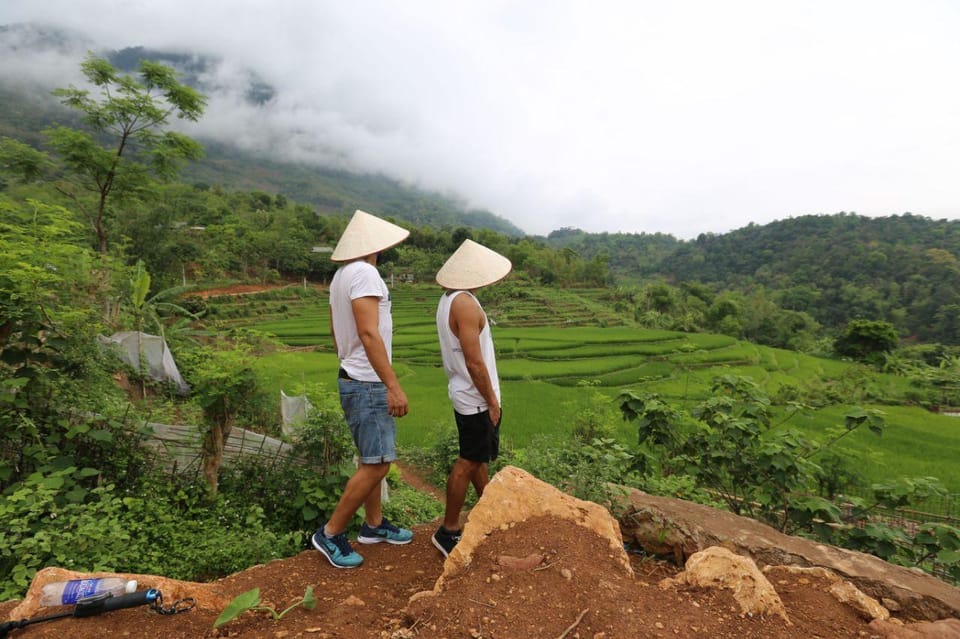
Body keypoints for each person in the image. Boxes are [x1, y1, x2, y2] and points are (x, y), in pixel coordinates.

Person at [311, 209, 414, 569]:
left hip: (352, 376)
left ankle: (373, 525)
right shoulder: (366, 273)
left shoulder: (341, 276)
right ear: (376, 247)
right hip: (368, 382)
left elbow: (336, 330)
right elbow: (369, 333)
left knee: (369, 457)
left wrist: (350, 359)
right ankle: (330, 532)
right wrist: (393, 385)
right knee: (379, 464)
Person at [431, 239, 513, 558]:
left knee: (478, 457)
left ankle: (485, 510)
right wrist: (492, 400)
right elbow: (475, 362)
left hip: (464, 393)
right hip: (475, 397)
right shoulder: (465, 304)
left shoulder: (448, 300)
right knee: (467, 461)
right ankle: (448, 529)